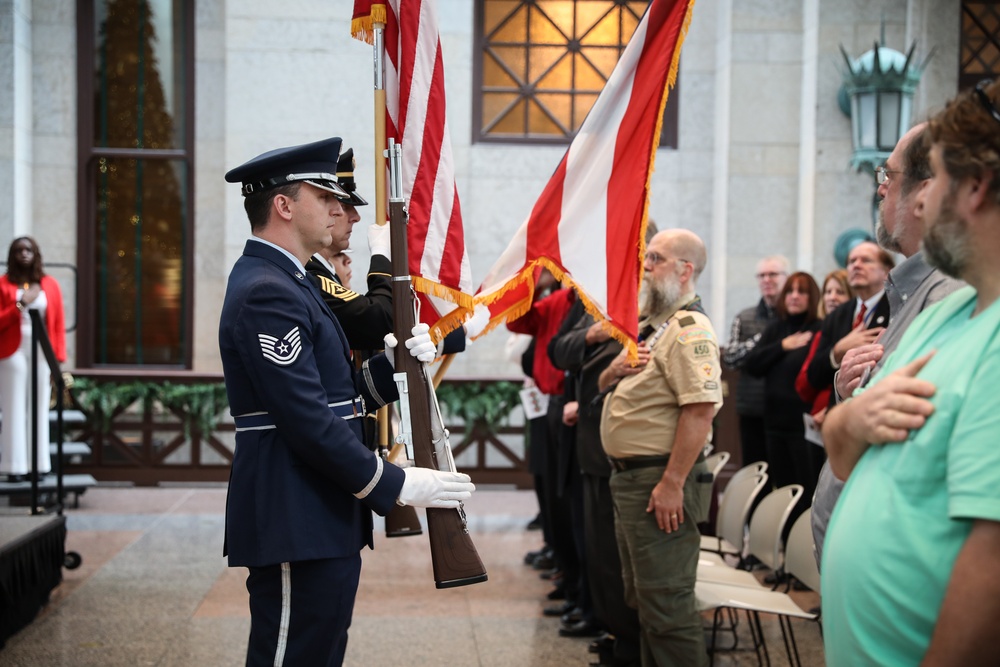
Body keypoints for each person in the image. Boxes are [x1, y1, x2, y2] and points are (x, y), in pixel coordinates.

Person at [220, 136, 475, 666]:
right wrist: (395, 483)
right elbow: (305, 419)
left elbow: (339, 395)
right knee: (292, 653)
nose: (341, 209)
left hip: (320, 508)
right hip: (294, 511)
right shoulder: (269, 289)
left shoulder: (295, 282)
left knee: (318, 651)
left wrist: (401, 363)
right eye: (325, 197)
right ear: (284, 206)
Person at [820, 79, 1000, 666]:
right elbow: (840, 440)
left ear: (975, 188)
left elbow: (991, 564)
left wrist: (852, 425)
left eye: (935, 183)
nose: (918, 203)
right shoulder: (944, 315)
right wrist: (852, 421)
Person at [810, 123, 963, 567]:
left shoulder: (950, 297)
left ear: (926, 195)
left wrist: (846, 417)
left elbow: (913, 447)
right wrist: (849, 389)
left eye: (888, 176)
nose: (880, 192)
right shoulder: (915, 291)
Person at [598, 229, 720, 666]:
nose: (645, 267)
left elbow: (701, 411)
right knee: (645, 600)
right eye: (647, 258)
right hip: (632, 478)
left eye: (656, 258)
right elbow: (611, 387)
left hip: (658, 480)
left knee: (667, 607)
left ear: (685, 270)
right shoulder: (656, 326)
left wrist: (672, 483)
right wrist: (611, 372)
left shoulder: (690, 329)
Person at [742, 272, 823, 496]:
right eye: (790, 291)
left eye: (801, 291)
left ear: (812, 297)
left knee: (806, 490)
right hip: (773, 424)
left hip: (804, 427)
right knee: (783, 491)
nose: (794, 297)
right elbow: (753, 365)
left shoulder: (820, 328)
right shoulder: (776, 328)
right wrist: (783, 346)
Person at [305, 147, 393, 351]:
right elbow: (381, 322)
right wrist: (381, 254)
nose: (356, 217)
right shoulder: (311, 275)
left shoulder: (325, 273)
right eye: (344, 207)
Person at [0, 237, 66, 482]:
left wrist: (57, 360)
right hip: (11, 350)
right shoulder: (4, 284)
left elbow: (57, 325)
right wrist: (20, 304)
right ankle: (14, 466)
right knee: (13, 407)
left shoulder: (50, 285)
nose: (24, 254)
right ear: (12, 255)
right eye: (19, 250)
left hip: (41, 349)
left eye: (28, 250)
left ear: (36, 254)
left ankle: (38, 465)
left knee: (38, 406)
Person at [800, 241, 893, 411]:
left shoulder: (897, 308)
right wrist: (837, 351)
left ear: (886, 271)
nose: (856, 265)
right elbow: (813, 376)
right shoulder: (837, 315)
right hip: (838, 415)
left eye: (866, 260)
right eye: (851, 261)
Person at [722, 256, 788, 467]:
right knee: (755, 472)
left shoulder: (797, 316)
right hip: (752, 408)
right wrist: (766, 338)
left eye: (773, 274)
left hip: (788, 411)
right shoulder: (745, 316)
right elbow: (730, 358)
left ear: (786, 278)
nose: (767, 280)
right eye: (762, 275)